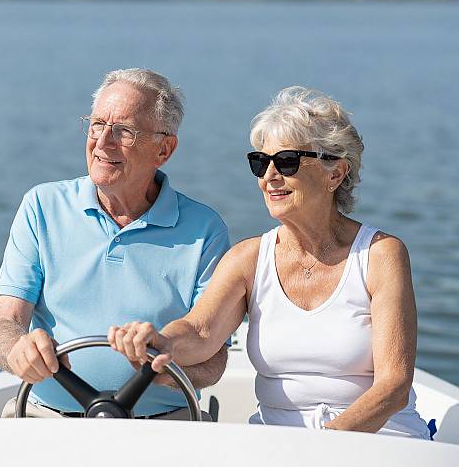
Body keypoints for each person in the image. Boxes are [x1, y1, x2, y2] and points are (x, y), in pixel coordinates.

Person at [109, 86, 430, 438]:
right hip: (277, 442)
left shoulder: (381, 254)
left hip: (377, 438)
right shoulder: (247, 258)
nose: (269, 177)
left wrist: (325, 444)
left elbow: (394, 387)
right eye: (260, 162)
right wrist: (160, 341)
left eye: (287, 161)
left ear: (335, 174)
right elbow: (200, 331)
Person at [0, 68, 230, 420]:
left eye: (124, 131)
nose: (102, 142)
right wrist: (17, 349)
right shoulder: (42, 206)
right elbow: (4, 322)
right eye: (97, 124)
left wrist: (162, 368)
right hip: (45, 420)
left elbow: (214, 361)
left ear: (164, 149)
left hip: (164, 431)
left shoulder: (205, 230)